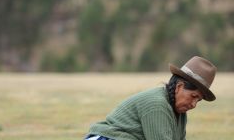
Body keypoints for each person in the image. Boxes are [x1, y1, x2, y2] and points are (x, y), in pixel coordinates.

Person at [84, 56, 217, 140]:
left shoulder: (180, 114)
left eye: (198, 100)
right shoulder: (157, 105)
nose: (194, 104)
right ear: (179, 87)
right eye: (193, 96)